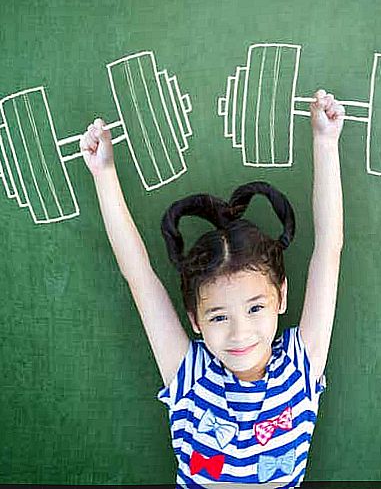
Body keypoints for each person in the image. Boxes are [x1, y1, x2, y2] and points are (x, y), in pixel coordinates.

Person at [80, 89, 345, 487]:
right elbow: (139, 276)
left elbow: (329, 249)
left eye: (255, 308)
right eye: (219, 316)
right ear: (195, 320)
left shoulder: (300, 366)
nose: (240, 333)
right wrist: (104, 174)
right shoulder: (189, 375)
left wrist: (325, 143)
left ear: (281, 297)